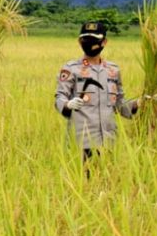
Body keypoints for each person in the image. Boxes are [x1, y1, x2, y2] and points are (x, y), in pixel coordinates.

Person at [54, 21, 141, 164]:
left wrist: (138, 103)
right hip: (81, 142)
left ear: (104, 42)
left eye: (94, 40)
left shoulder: (113, 71)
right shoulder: (71, 69)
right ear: (79, 41)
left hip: (109, 142)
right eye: (86, 40)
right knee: (83, 183)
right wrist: (68, 104)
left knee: (108, 183)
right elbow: (59, 97)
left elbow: (119, 106)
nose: (89, 44)